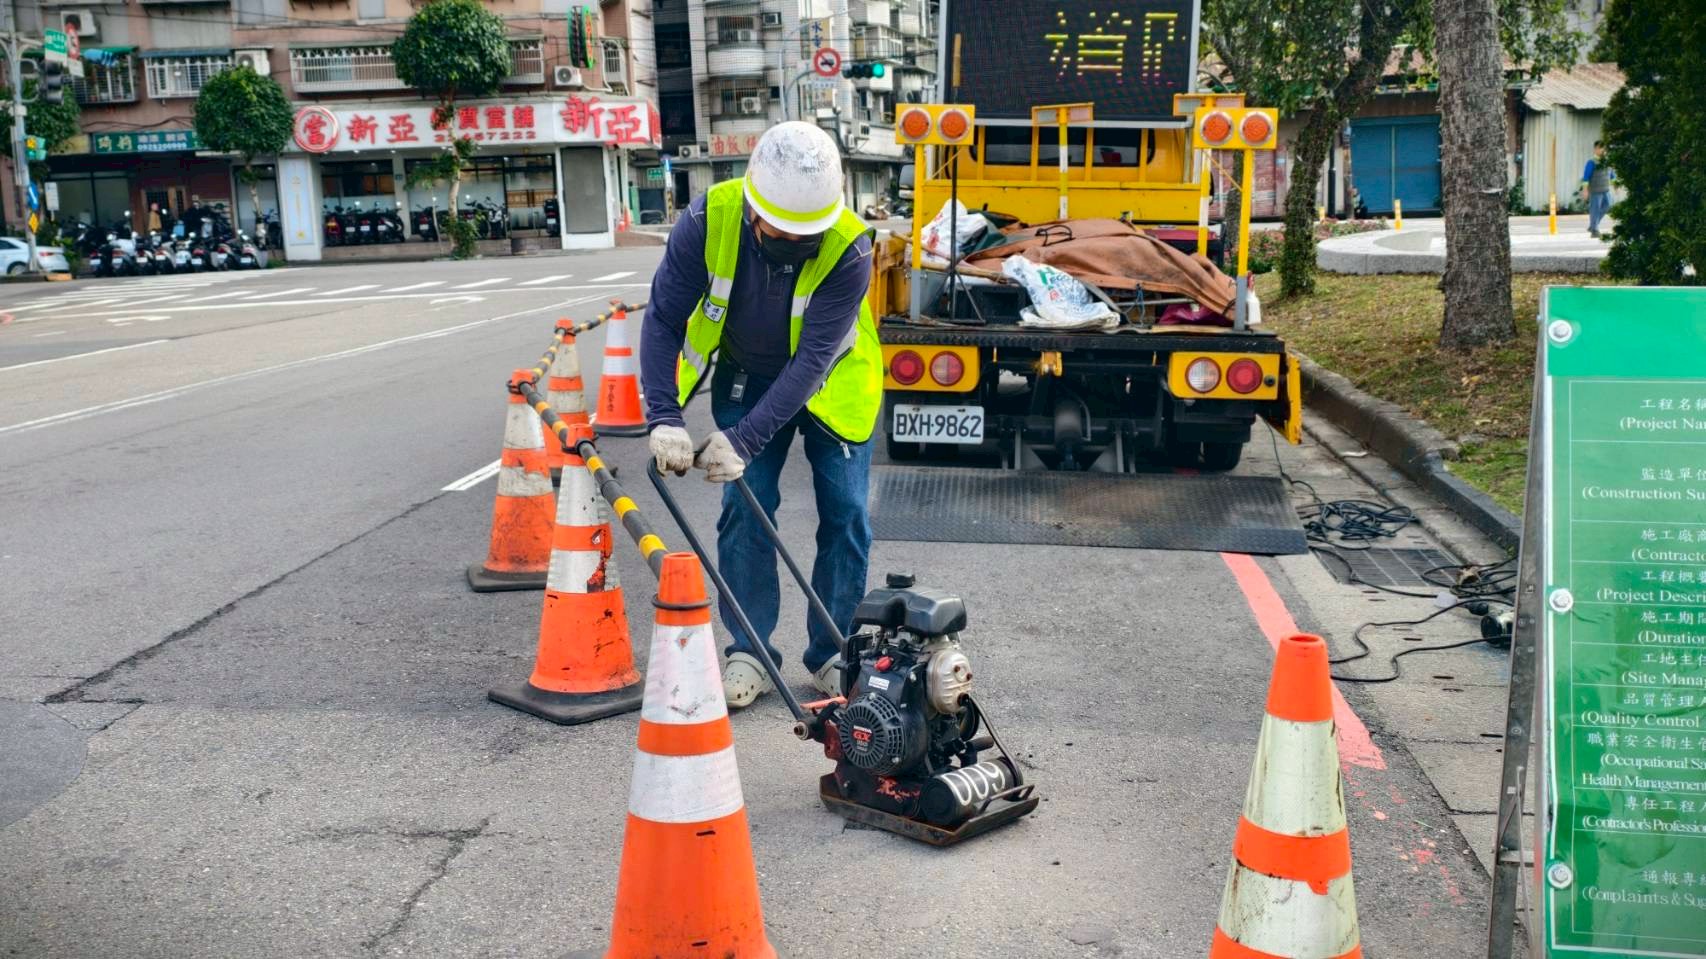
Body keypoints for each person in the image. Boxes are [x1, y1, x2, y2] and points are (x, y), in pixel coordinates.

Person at [639, 121, 881, 709]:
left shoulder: (850, 248)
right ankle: (748, 650)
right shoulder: (709, 219)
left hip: (832, 380)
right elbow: (665, 318)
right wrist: (664, 416)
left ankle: (833, 654)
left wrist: (743, 439)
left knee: (846, 512)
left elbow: (812, 361)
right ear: (753, 206)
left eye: (808, 234)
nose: (794, 241)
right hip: (748, 373)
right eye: (781, 229)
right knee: (745, 509)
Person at [1581, 140, 1615, 238]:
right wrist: (1585, 190)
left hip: (1606, 190)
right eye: (1601, 148)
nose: (1603, 150)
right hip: (1596, 191)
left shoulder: (1608, 161)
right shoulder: (1591, 162)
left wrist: (1616, 185)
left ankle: (1593, 225)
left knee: (1608, 205)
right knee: (1595, 209)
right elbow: (1586, 177)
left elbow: (1612, 174)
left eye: (1604, 148)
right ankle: (1594, 231)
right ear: (1595, 149)